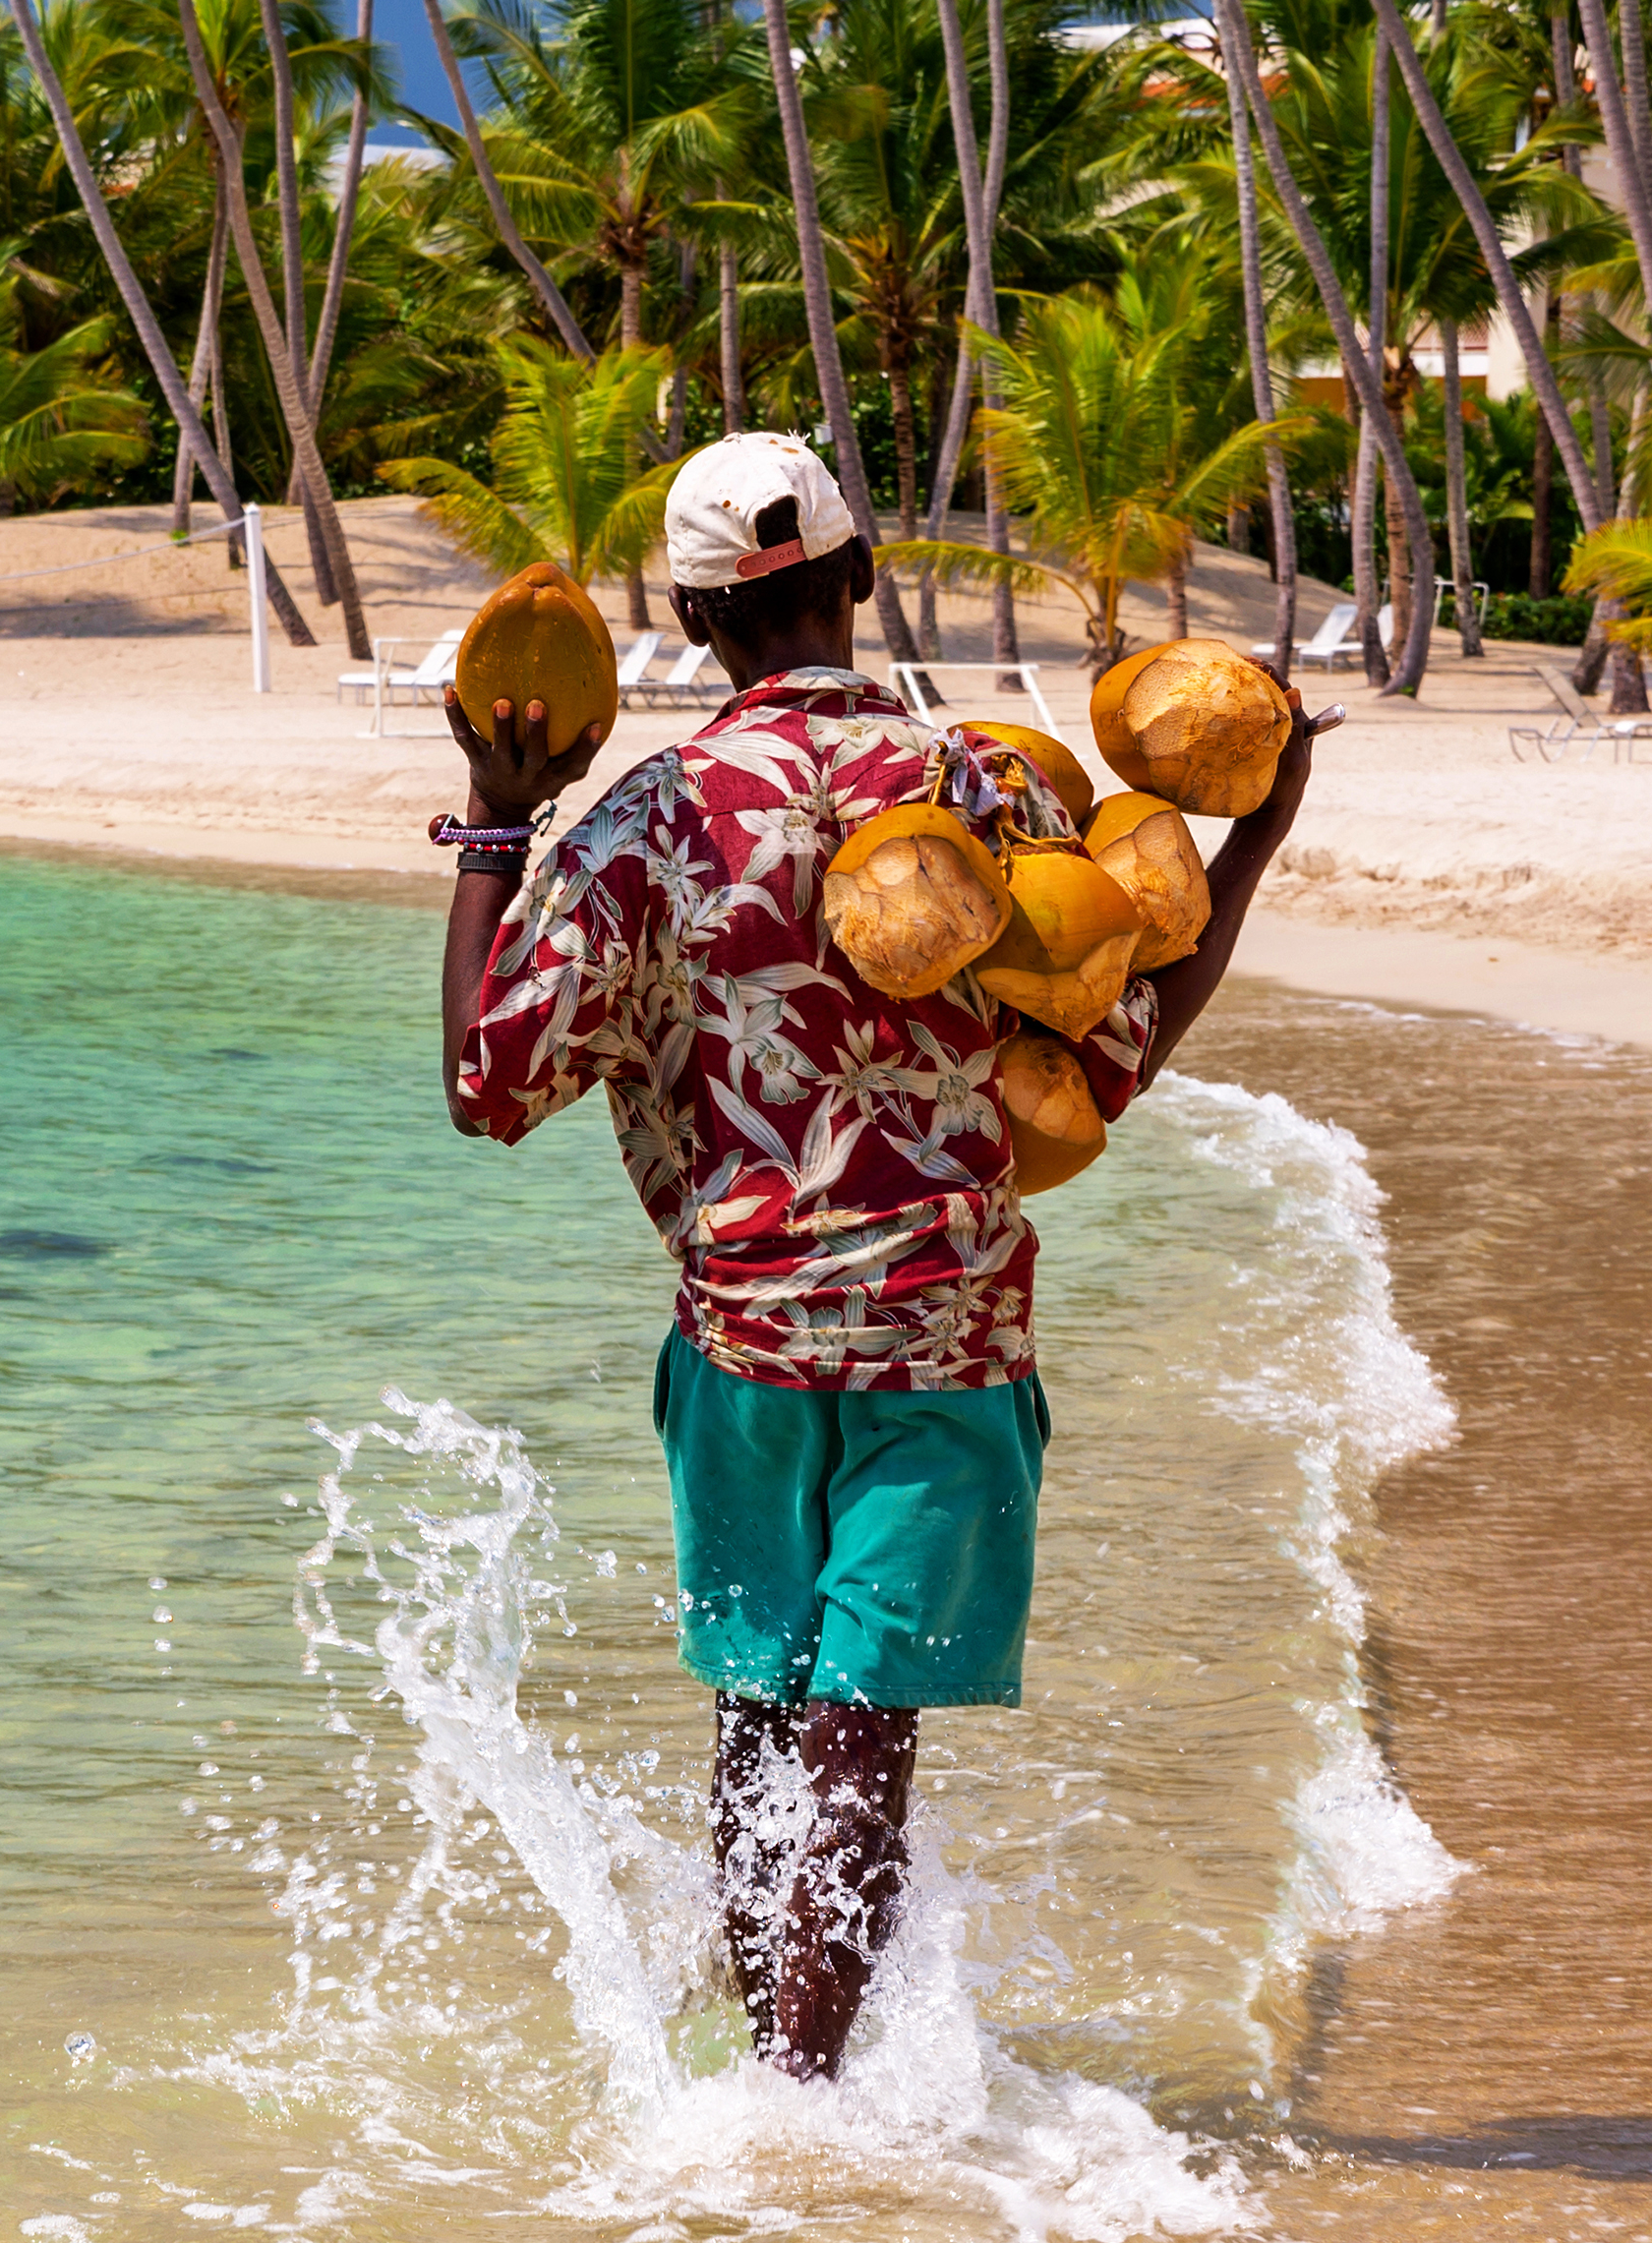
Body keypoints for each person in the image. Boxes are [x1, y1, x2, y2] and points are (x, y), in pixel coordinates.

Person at [436, 432, 1330, 2080]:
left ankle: (764, 2095)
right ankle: (805, 2105)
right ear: (859, 577)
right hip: (950, 1344)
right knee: (859, 1736)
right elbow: (1110, 1053)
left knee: (762, 1719)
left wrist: (498, 828)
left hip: (740, 1346)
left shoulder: (642, 829)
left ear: (699, 620)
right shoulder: (982, 788)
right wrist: (1250, 844)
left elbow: (490, 1084)